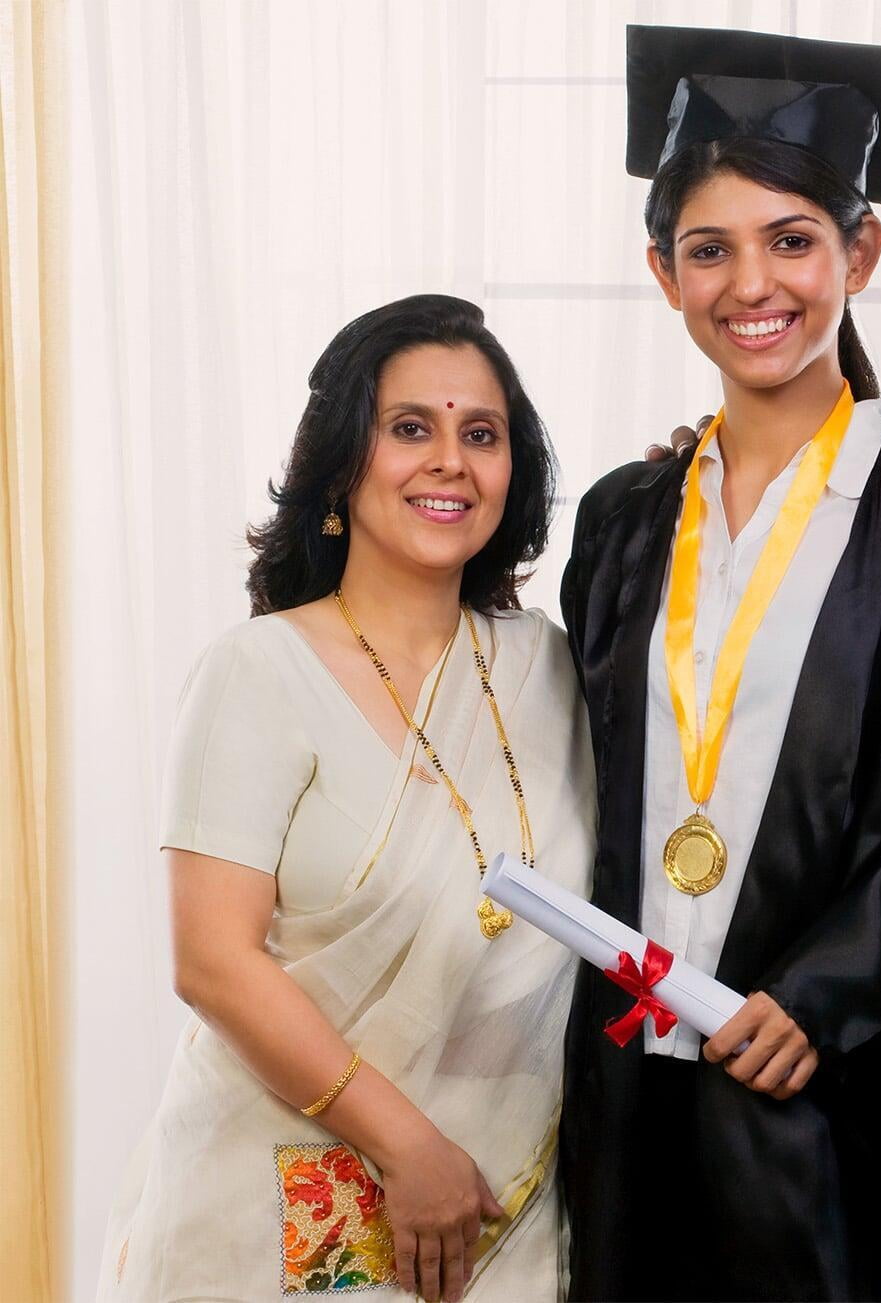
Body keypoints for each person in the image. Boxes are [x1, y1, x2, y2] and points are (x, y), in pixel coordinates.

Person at [558, 25, 881, 1303]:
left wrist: (828, 988)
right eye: (707, 248)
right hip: (622, 1083)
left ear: (858, 252)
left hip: (823, 1088)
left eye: (790, 240)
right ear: (662, 273)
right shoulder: (620, 520)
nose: (748, 283)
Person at [98, 295, 594, 1303]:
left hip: (506, 1202)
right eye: (409, 427)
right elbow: (213, 960)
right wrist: (406, 1145)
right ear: (340, 465)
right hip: (282, 1200)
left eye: (481, 433)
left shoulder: (549, 666)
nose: (449, 459)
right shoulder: (258, 671)